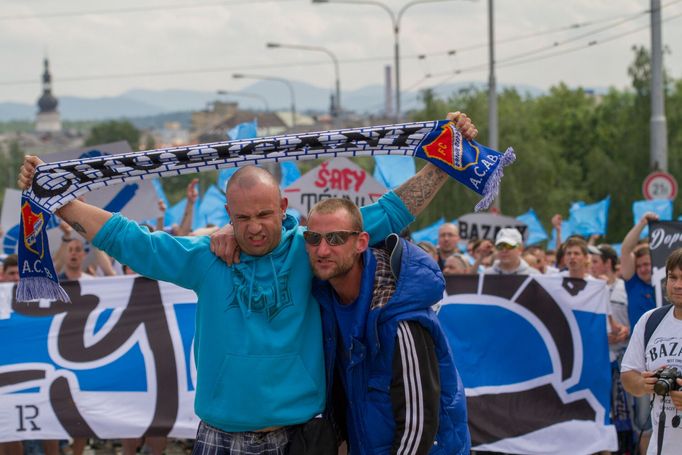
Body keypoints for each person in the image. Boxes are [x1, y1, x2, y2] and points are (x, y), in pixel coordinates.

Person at [19, 111, 479, 455]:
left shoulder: (312, 247)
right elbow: (132, 241)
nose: (255, 227)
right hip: (221, 439)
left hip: (301, 436)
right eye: (242, 218)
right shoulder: (204, 258)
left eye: (264, 215)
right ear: (226, 215)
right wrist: (61, 201)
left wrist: (445, 157)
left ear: (283, 206)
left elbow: (391, 211)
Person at [305, 198, 469, 455]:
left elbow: (418, 426)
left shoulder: (399, 317)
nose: (322, 250)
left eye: (335, 238)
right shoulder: (324, 302)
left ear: (361, 242)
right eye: (313, 238)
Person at [621, 248, 682, 455]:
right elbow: (628, 374)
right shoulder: (650, 320)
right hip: (661, 446)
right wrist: (643, 384)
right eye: (672, 277)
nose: (678, 285)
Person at [621, 212, 658, 453]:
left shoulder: (668, 286)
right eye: (641, 264)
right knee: (645, 423)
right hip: (642, 361)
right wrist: (643, 223)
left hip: (671, 354)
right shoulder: (633, 283)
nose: (644, 268)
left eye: (649, 264)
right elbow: (625, 250)